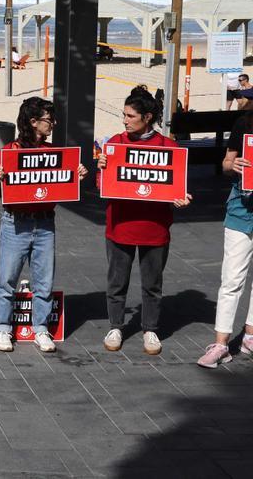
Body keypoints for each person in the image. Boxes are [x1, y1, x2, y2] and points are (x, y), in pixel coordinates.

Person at [97, 86, 192, 355]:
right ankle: (116, 326)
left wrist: (181, 199)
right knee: (117, 282)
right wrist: (102, 168)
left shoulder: (169, 147)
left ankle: (150, 329)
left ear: (147, 117)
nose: (124, 120)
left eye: (130, 116)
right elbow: (102, 185)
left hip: (155, 228)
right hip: (120, 226)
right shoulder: (114, 142)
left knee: (152, 284)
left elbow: (177, 187)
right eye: (123, 115)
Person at [0, 97, 88, 354]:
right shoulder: (10, 150)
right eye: (49, 119)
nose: (53, 123)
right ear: (33, 122)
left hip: (45, 222)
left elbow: (61, 185)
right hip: (16, 223)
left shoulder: (53, 152)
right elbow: (0, 191)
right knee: (7, 279)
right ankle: (3, 327)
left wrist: (76, 176)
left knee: (44, 280)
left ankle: (41, 328)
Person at [198, 110, 253, 367]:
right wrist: (235, 165)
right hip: (242, 208)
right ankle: (221, 344)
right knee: (232, 279)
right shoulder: (245, 123)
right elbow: (226, 163)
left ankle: (249, 337)